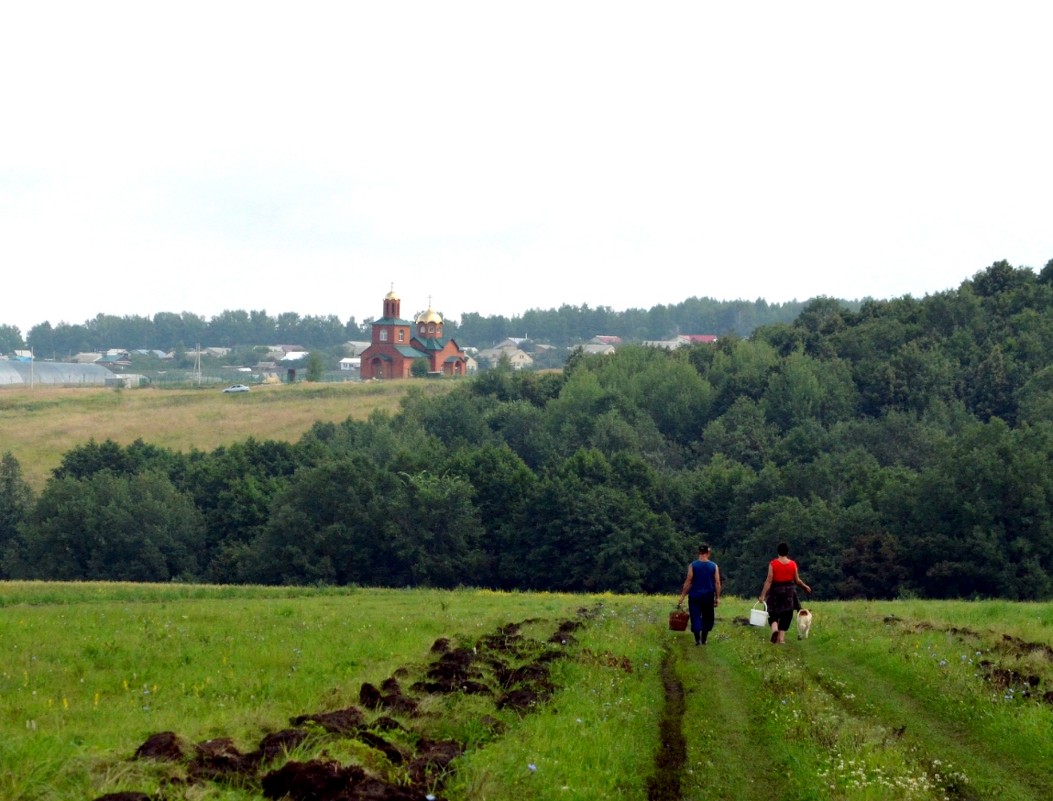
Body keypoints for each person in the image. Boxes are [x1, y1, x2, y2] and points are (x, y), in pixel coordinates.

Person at [758, 542, 811, 644]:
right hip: (789, 592)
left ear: (778, 552)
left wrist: (763, 595)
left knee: (772, 611)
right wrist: (805, 587)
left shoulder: (773, 564)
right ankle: (781, 639)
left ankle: (774, 630)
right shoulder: (792, 564)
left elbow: (769, 580)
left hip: (775, 591)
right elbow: (797, 580)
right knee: (787, 614)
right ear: (787, 552)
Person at [676, 544, 721, 645]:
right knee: (707, 617)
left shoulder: (693, 565)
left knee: (695, 615)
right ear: (708, 553)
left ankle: (697, 639)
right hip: (708, 595)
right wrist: (717, 597)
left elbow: (688, 581)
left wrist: (682, 596)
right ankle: (704, 639)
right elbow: (717, 583)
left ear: (698, 552)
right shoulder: (714, 566)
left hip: (695, 595)